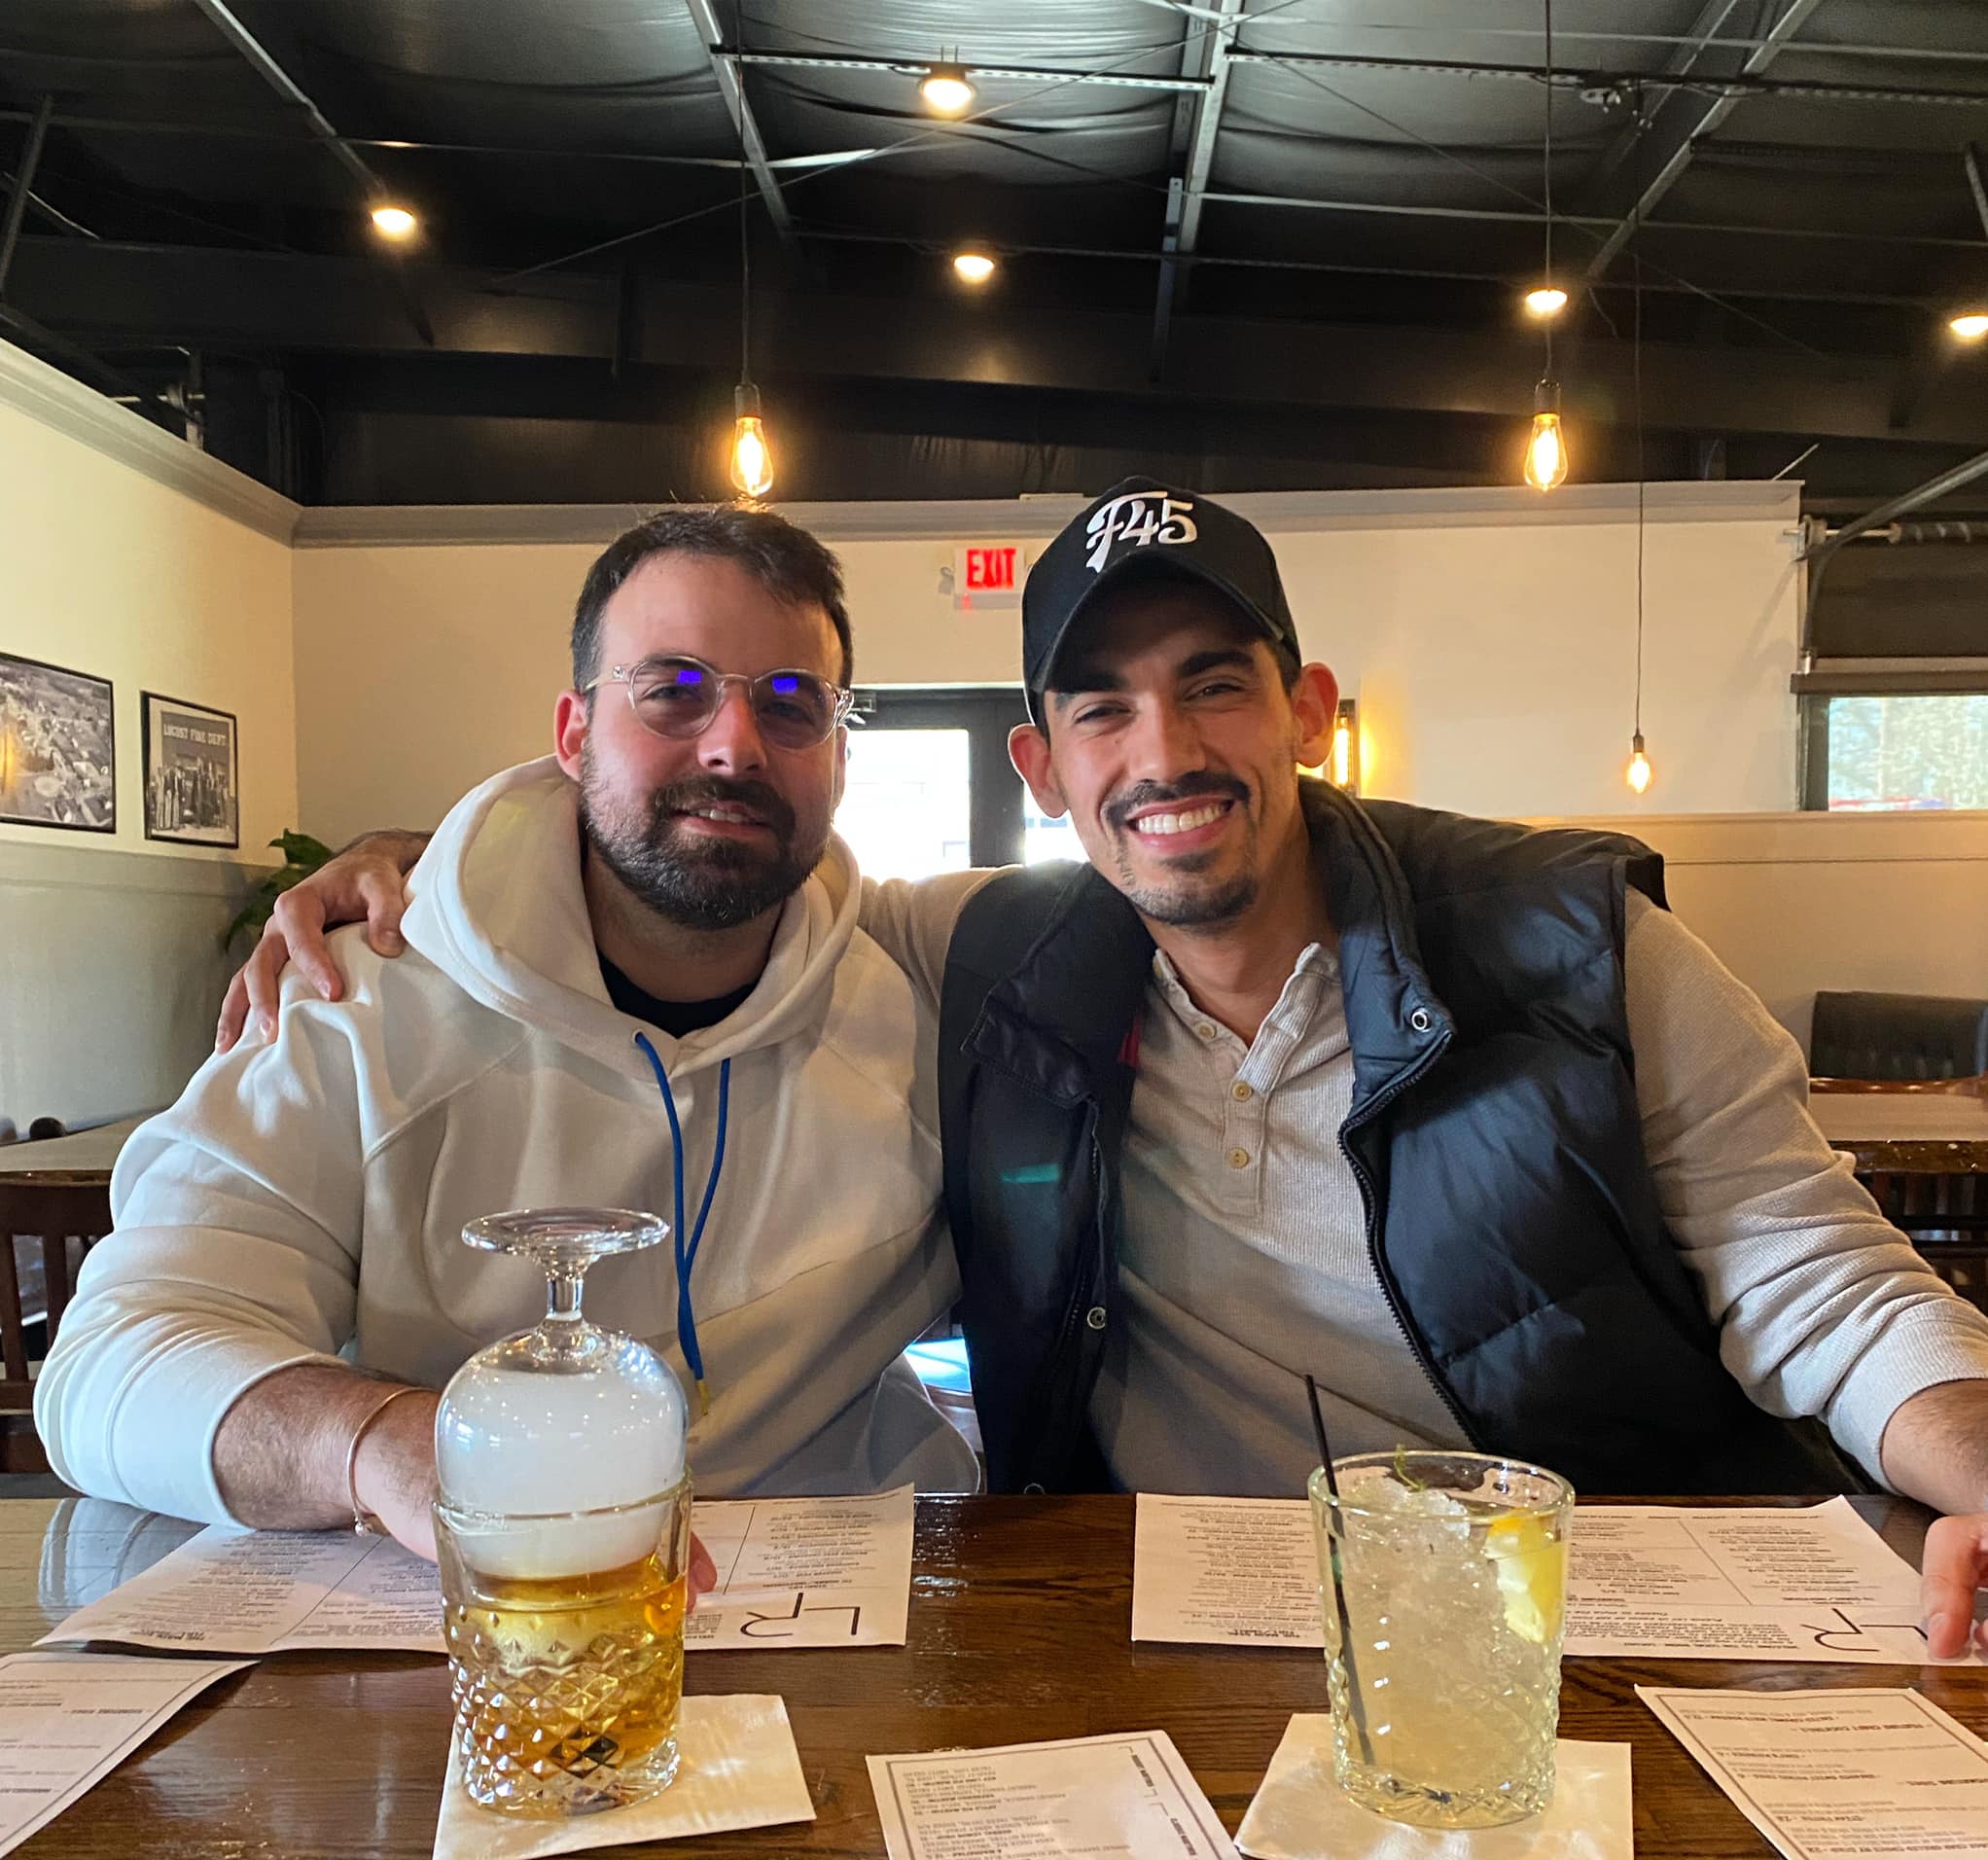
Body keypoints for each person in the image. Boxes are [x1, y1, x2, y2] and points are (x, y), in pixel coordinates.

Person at [214, 482, 1988, 1658]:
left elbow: (1817, 1279)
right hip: (1161, 1623)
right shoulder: (990, 953)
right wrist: (429, 869)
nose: (1165, 753)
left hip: (1577, 1605)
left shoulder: (1575, 945)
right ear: (1042, 768)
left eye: (1214, 686)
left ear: (1305, 710)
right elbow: (691, 869)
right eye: (1101, 709)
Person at [37, 507, 978, 1564]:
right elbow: (116, 1357)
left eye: (792, 703)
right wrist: (380, 1443)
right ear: (574, 735)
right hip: (473, 1603)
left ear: (839, 755)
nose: (733, 744)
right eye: (672, 689)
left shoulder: (934, 999)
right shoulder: (359, 998)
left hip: (861, 1588)